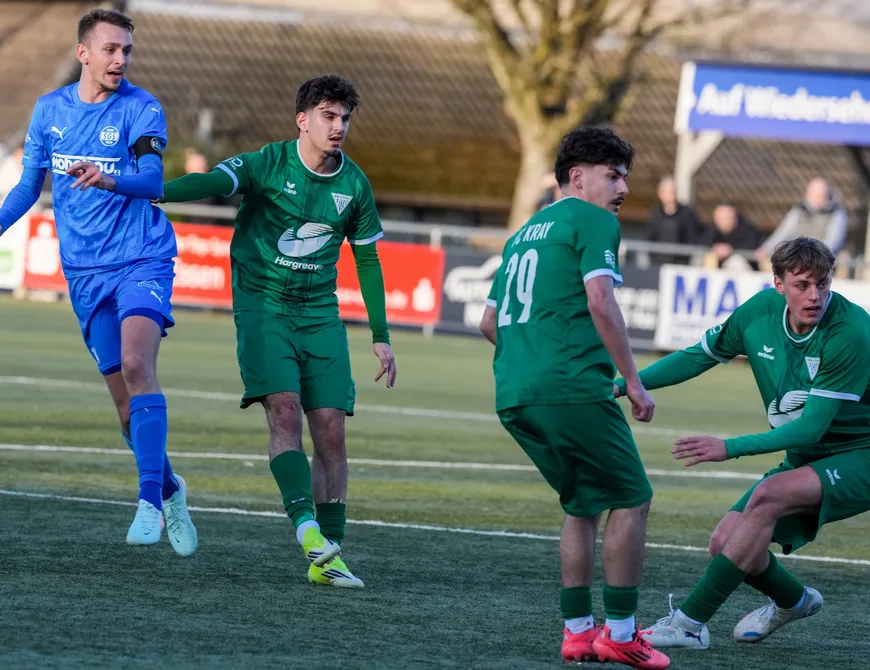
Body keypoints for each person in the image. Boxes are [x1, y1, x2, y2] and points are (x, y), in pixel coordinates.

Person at [156, 74, 396, 589]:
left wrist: (381, 333)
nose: (339, 127)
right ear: (302, 120)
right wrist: (153, 192)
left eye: (345, 118)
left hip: (320, 314)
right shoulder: (267, 162)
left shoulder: (354, 184)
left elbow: (369, 259)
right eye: (329, 117)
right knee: (284, 411)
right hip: (264, 309)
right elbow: (215, 184)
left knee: (332, 428)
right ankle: (307, 528)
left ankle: (330, 558)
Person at [0, 8, 197, 554]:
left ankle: (148, 502)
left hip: (142, 257)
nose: (120, 59)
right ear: (83, 53)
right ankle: (172, 488)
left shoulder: (142, 108)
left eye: (126, 51)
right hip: (85, 273)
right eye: (110, 49)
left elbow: (153, 179)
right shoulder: (49, 111)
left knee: (138, 363)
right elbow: (26, 189)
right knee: (125, 410)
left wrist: (108, 178)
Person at [613, 237, 870, 650]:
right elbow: (698, 355)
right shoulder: (758, 313)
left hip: (862, 455)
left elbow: (809, 430)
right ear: (778, 284)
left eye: (823, 284)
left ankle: (688, 625)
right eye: (802, 284)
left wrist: (727, 447)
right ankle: (795, 601)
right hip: (809, 457)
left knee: (769, 495)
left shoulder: (851, 331)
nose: (815, 295)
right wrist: (628, 384)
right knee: (725, 545)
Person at [479, 127, 670, 669]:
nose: (623, 188)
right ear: (577, 177)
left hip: (515, 391)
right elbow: (600, 301)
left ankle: (578, 632)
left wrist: (534, 357)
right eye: (613, 175)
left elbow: (487, 321)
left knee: (582, 505)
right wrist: (633, 379)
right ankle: (623, 633)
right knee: (632, 498)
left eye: (625, 176)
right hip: (570, 388)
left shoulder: (521, 234)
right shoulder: (594, 220)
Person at [756, 177, 848, 268]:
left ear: (827, 195)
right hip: (795, 259)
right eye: (814, 194)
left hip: (820, 263)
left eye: (820, 194)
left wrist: (813, 257)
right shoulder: (799, 210)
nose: (816, 198)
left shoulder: (836, 212)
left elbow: (833, 240)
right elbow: (783, 232)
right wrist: (766, 249)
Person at [646, 176, 707, 265]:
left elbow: (693, 238)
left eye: (673, 192)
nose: (672, 195)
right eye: (669, 192)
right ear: (660, 194)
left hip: (681, 265)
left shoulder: (687, 214)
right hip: (658, 264)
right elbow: (650, 239)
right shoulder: (655, 214)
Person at [702, 202, 765, 271]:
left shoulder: (748, 230)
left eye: (727, 217)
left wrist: (730, 250)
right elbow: (700, 243)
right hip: (717, 269)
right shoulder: (710, 229)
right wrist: (714, 248)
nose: (724, 220)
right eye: (720, 217)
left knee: (736, 262)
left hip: (745, 269)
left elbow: (753, 249)